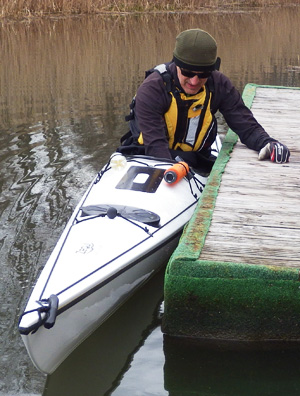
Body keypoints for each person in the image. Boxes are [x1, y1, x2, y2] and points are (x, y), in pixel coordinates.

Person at [119, 28, 290, 171]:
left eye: (203, 74)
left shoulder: (219, 84)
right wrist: (174, 170)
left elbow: (246, 126)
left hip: (195, 157)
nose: (194, 81)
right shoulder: (153, 89)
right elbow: (155, 145)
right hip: (147, 154)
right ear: (176, 65)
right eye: (187, 73)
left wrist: (267, 143)